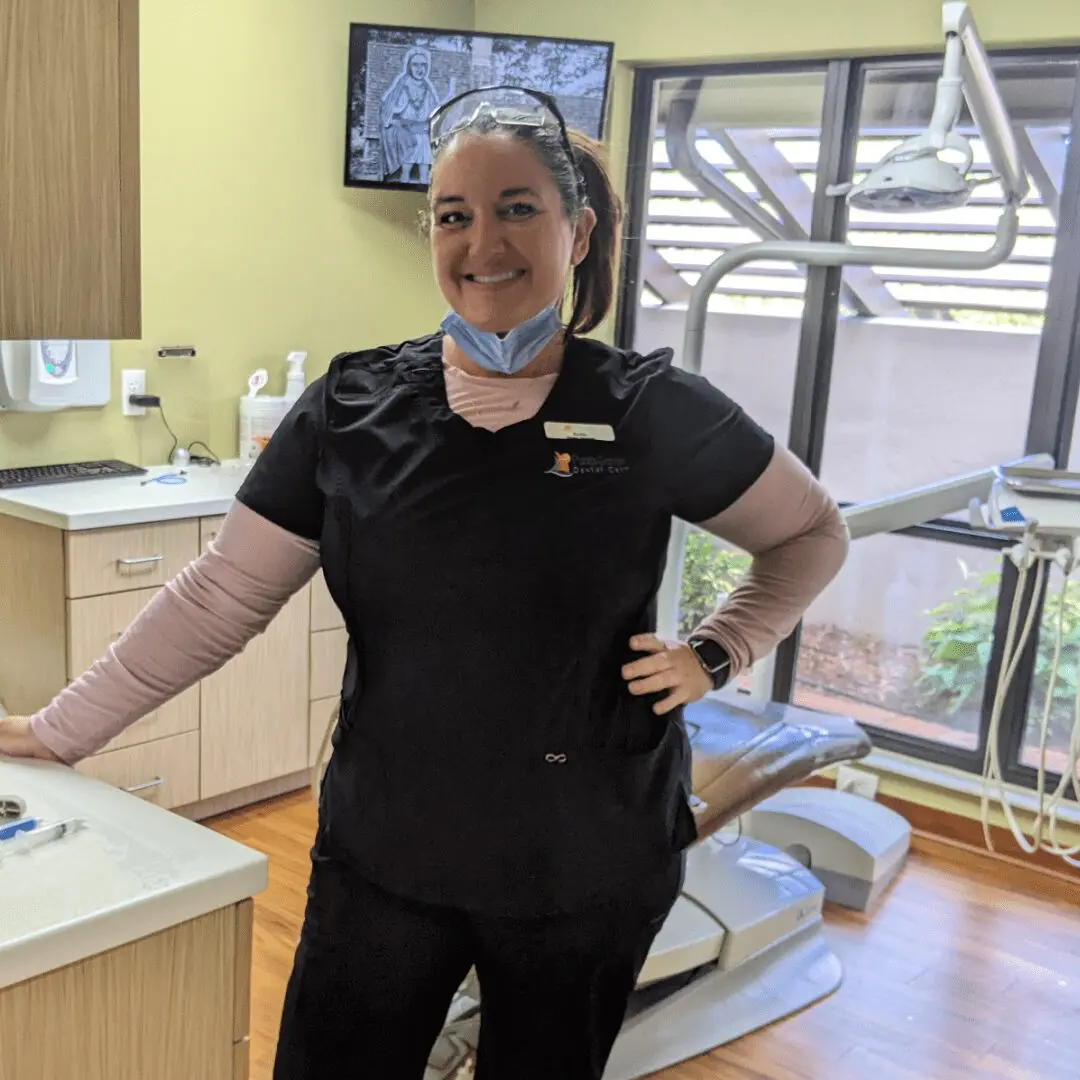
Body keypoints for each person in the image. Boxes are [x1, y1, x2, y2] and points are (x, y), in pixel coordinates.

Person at [0, 85, 849, 1079]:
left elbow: (810, 535)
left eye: (517, 207)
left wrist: (717, 649)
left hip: (588, 856)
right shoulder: (352, 408)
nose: (482, 241)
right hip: (387, 853)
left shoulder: (651, 409)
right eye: (455, 215)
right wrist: (57, 731)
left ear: (577, 231)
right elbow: (220, 594)